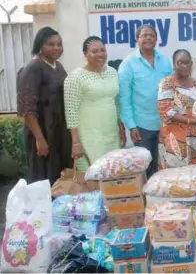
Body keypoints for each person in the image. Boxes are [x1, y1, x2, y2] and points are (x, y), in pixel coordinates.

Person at [16, 27, 72, 184]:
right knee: (44, 176)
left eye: (59, 44)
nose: (56, 48)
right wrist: (40, 139)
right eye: (51, 44)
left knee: (61, 174)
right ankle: (44, 208)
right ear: (40, 45)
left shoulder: (58, 66)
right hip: (42, 132)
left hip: (59, 130)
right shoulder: (33, 68)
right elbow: (27, 108)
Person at [64, 36, 126, 172]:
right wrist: (75, 142)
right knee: (92, 174)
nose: (100, 55)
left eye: (103, 50)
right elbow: (71, 112)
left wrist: (121, 128)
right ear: (85, 54)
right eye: (94, 51)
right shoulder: (75, 77)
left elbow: (116, 102)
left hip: (111, 133)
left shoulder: (112, 72)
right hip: (89, 136)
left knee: (111, 172)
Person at [118, 25, 173, 177]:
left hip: (165, 123)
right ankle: (147, 199)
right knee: (145, 167)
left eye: (151, 35)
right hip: (142, 126)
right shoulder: (128, 64)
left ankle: (162, 200)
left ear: (156, 39)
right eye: (144, 35)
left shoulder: (165, 61)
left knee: (164, 164)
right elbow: (124, 97)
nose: (148, 38)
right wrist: (131, 125)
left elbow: (173, 89)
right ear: (137, 40)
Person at [157, 49, 196, 169]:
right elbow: (165, 112)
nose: (185, 66)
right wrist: (191, 121)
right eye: (180, 62)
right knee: (177, 180)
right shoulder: (167, 83)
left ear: (192, 64)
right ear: (174, 64)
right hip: (175, 139)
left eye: (188, 63)